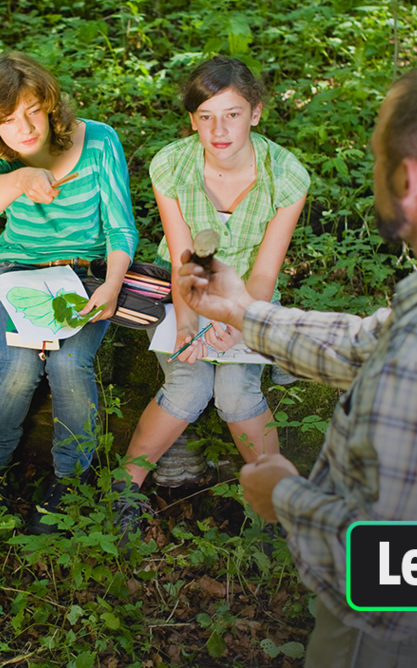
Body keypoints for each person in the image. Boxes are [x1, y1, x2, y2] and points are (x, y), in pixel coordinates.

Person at [173, 67, 417, 666]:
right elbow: (363, 343)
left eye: (378, 158)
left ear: (406, 177)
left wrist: (284, 496)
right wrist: (244, 310)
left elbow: (392, 573)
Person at [114, 56, 310, 540]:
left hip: (250, 294)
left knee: (236, 389)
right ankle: (124, 491)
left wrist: (237, 319)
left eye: (232, 114)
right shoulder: (173, 165)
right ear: (192, 120)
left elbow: (265, 271)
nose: (218, 130)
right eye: (205, 116)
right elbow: (185, 261)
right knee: (189, 383)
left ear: (256, 113)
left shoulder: (286, 176)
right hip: (188, 292)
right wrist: (187, 327)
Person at [0, 52, 138, 533]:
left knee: (68, 362)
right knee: (18, 365)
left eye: (32, 110)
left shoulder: (98, 140)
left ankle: (70, 479)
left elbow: (122, 228)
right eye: (8, 119)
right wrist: (20, 177)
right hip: (20, 271)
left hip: (87, 274)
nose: (24, 127)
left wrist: (113, 284)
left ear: (50, 103)